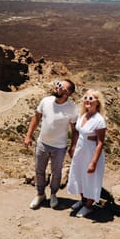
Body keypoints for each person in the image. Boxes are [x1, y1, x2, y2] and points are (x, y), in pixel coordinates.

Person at [24, 79, 79, 209]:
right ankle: (40, 194)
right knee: (39, 170)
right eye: (57, 84)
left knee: (57, 172)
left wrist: (73, 146)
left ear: (67, 92)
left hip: (59, 147)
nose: (56, 86)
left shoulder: (72, 108)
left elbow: (75, 130)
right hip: (42, 143)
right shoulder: (46, 101)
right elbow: (36, 118)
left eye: (60, 86)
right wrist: (28, 136)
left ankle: (53, 194)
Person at [67, 89, 107, 218]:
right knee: (79, 175)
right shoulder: (82, 116)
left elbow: (100, 142)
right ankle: (83, 200)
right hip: (80, 150)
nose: (87, 101)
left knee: (90, 178)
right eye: (86, 98)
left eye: (91, 99)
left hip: (91, 151)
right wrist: (73, 146)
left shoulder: (99, 120)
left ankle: (88, 206)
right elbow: (77, 133)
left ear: (97, 102)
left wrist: (93, 162)